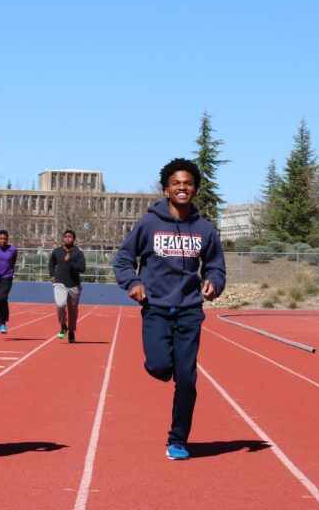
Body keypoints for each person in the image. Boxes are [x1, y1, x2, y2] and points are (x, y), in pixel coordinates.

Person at [112, 158, 225, 461]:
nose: (182, 188)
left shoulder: (205, 230)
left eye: (188, 183)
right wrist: (133, 283)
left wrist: (214, 282)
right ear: (166, 189)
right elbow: (124, 258)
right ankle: (161, 365)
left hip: (190, 311)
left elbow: (215, 267)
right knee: (161, 367)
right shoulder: (149, 223)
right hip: (156, 308)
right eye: (176, 183)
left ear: (195, 189)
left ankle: (178, 439)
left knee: (187, 379)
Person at [48, 230, 86, 343]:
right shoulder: (57, 251)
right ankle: (63, 325)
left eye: (70, 237)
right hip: (59, 283)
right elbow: (51, 263)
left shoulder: (78, 253)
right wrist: (52, 275)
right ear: (63, 238)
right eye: (65, 236)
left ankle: (71, 331)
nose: (67, 238)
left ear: (73, 239)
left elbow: (82, 268)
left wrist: (70, 262)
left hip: (74, 285)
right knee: (60, 304)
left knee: (73, 311)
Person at [0, 230, 18, 334]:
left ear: (7, 239)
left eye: (5, 239)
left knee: (2, 297)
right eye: (1, 238)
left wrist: (11, 269)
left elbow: (13, 260)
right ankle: (2, 322)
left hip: (7, 277)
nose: (3, 240)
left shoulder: (12, 249)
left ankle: (3, 323)